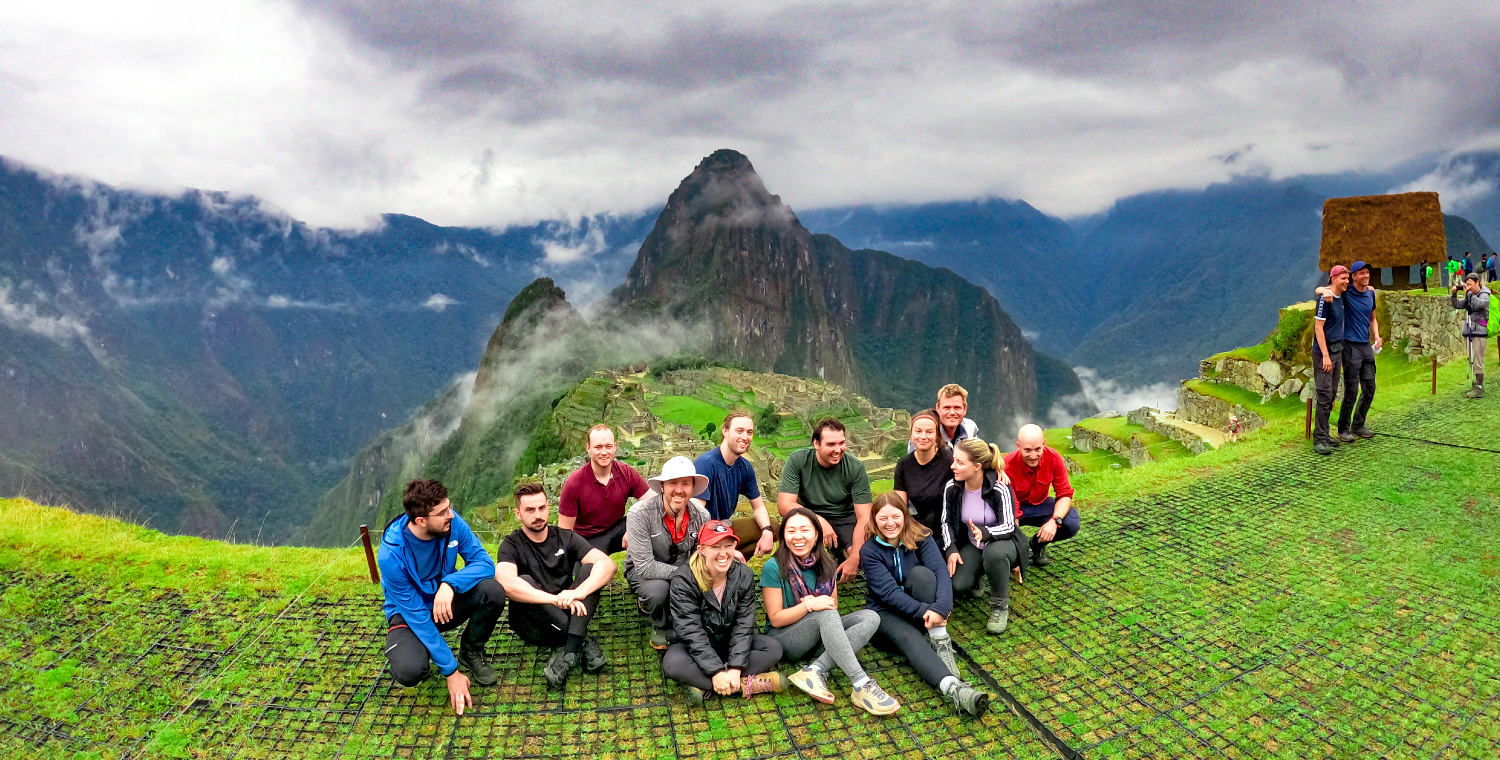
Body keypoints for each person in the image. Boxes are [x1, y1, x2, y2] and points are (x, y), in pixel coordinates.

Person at [379, 479, 504, 715]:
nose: (451, 515)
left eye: (449, 507)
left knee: (492, 590)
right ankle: (421, 654)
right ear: (421, 521)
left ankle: (470, 651)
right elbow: (417, 617)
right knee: (410, 670)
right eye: (442, 512)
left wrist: (449, 583)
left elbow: (485, 563)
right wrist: (451, 671)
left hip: (445, 603)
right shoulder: (391, 555)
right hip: (410, 615)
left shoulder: (452, 525)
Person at [860, 493, 990, 716]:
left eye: (895, 516)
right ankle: (956, 690)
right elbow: (889, 593)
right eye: (883, 518)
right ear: (874, 520)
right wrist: (925, 611)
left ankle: (940, 639)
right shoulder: (869, 552)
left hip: (923, 614)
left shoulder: (921, 536)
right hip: (885, 615)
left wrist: (941, 608)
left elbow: (940, 572)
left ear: (905, 516)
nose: (890, 523)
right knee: (910, 638)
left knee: (923, 575)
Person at [761, 508, 897, 715]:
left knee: (870, 617)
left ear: (816, 535)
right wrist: (807, 606)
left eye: (805, 530)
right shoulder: (773, 567)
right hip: (786, 639)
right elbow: (776, 619)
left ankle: (815, 670)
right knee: (825, 613)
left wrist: (816, 606)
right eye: (791, 531)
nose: (798, 537)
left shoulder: (827, 564)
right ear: (783, 536)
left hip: (818, 636)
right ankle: (861, 683)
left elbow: (832, 606)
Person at [495, 482, 617, 690]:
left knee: (590, 570)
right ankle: (580, 640)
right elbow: (506, 583)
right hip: (533, 623)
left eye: (542, 508)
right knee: (523, 581)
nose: (538, 515)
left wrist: (578, 592)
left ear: (548, 507)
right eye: (530, 510)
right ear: (518, 513)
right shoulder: (511, 544)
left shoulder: (564, 536)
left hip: (568, 609)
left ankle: (568, 651)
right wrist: (553, 599)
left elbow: (608, 564)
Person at [662, 521, 785, 704]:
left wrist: (735, 667)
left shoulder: (744, 575)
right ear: (701, 549)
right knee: (672, 663)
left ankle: (704, 685)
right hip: (695, 645)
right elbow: (690, 630)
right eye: (715, 547)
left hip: (728, 642)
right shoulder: (683, 580)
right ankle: (745, 685)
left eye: (728, 546)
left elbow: (744, 624)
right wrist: (716, 671)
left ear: (735, 546)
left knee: (773, 648)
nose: (723, 553)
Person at [942, 438, 1029, 634]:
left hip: (1004, 544)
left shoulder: (999, 486)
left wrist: (986, 533)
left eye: (960, 462)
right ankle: (978, 575)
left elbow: (1008, 525)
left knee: (994, 554)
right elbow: (945, 522)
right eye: (954, 460)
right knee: (958, 585)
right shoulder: (953, 487)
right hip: (973, 545)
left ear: (977, 466)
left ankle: (999, 606)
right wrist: (951, 550)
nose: (953, 466)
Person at [625, 456, 712, 649]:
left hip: (684, 569)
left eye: (686, 484)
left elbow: (702, 556)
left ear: (692, 488)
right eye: (673, 483)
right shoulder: (639, 514)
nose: (679, 490)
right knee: (658, 592)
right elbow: (645, 566)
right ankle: (660, 624)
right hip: (644, 573)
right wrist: (686, 575)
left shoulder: (702, 516)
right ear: (662, 486)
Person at [776, 418, 872, 581]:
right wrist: (818, 521)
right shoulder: (798, 461)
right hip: (809, 516)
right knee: (797, 562)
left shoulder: (855, 467)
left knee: (863, 557)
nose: (838, 449)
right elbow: (784, 504)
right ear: (816, 444)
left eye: (841, 443)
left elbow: (864, 518)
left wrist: (855, 557)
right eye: (831, 444)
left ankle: (843, 555)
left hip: (845, 519)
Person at [692, 410, 777, 557]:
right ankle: (724, 560)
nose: (745, 437)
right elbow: (696, 516)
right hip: (702, 534)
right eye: (739, 431)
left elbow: (758, 506)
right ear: (725, 431)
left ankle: (732, 564)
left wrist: (767, 531)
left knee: (773, 526)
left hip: (723, 526)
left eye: (749, 432)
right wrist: (724, 547)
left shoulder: (744, 467)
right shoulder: (706, 464)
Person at [557, 425, 650, 555]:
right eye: (598, 447)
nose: (604, 452)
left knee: (655, 525)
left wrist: (635, 529)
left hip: (617, 529)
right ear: (588, 449)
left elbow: (654, 501)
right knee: (589, 572)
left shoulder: (626, 473)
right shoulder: (574, 484)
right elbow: (565, 532)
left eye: (608, 446)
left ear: (615, 447)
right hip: (588, 540)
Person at [1318, 260, 1382, 441]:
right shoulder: (1347, 293)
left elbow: (1373, 318)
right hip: (1350, 347)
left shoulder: (1371, 294)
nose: (1366, 276)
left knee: (1370, 387)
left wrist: (1376, 336)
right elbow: (1326, 289)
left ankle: (1358, 425)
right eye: (1361, 273)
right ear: (1354, 277)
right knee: (1352, 390)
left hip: (1366, 346)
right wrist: (1322, 291)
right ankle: (1343, 429)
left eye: (1367, 273)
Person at [1004, 425, 1082, 568]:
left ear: (1044, 444)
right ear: (1018, 446)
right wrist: (1017, 550)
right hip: (1012, 510)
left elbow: (1064, 493)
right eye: (1027, 450)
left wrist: (1054, 521)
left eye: (1037, 449)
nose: (1033, 456)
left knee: (1071, 522)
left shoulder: (1053, 458)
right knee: (995, 523)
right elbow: (1011, 507)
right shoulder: (1007, 465)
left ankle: (1037, 544)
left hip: (1040, 504)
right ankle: (1010, 553)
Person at [894, 411, 955, 536]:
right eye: (918, 431)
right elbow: (900, 508)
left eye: (929, 432)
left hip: (950, 529)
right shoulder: (904, 465)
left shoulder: (951, 460)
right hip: (920, 531)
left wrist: (997, 469)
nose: (923, 436)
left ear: (937, 435)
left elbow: (976, 469)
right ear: (911, 434)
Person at [1311, 265, 1349, 456]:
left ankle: (1325, 435)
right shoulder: (1324, 300)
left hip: (1337, 351)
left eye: (1347, 278)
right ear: (1333, 279)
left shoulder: (1341, 297)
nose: (1346, 281)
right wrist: (1325, 355)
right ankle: (1319, 439)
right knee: (1324, 395)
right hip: (1323, 353)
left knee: (1332, 394)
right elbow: (1319, 328)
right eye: (1343, 278)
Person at [1452, 273, 1492, 398]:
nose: (1468, 287)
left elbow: (1479, 305)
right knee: (1472, 359)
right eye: (1467, 284)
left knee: (1478, 359)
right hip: (1470, 331)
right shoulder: (1471, 295)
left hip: (1479, 331)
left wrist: (1468, 293)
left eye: (1470, 284)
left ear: (1477, 282)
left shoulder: (1485, 294)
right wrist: (1454, 294)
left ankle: (1479, 388)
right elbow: (1457, 305)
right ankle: (1476, 385)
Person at [908, 384, 979, 453]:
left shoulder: (970, 428)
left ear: (965, 409)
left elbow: (977, 457)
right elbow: (913, 462)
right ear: (938, 408)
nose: (952, 412)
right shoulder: (925, 433)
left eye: (957, 408)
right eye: (947, 408)